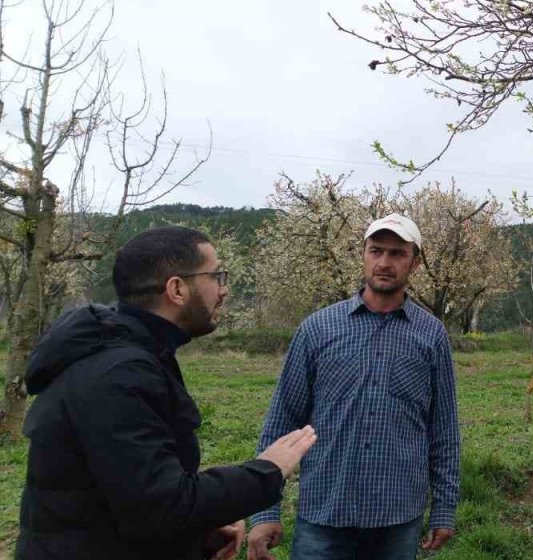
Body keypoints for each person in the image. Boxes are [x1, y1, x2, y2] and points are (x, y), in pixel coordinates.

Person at [17, 226, 317, 560]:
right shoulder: (117, 375)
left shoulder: (136, 355)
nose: (224, 289)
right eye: (217, 275)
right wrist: (266, 470)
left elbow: (129, 498)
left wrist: (194, 535)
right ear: (177, 289)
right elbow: (161, 506)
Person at [248, 213, 461, 560]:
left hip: (397, 517)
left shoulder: (431, 335)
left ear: (415, 263)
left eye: (397, 254)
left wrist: (444, 508)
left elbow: (444, 428)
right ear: (363, 254)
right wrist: (265, 510)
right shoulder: (318, 329)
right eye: (376, 251)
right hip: (325, 513)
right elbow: (282, 420)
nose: (384, 263)